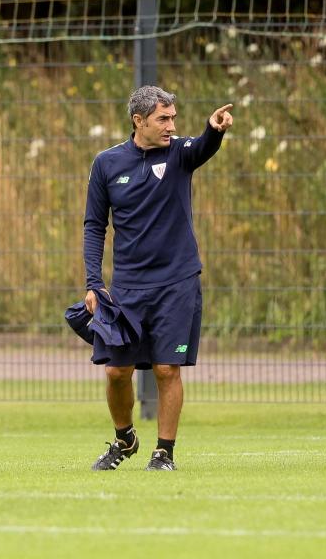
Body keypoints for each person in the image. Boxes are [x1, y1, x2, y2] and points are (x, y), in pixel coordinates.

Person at [83, 85, 233, 471]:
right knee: (117, 372)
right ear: (139, 121)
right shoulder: (107, 163)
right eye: (163, 119)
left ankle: (164, 452)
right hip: (127, 288)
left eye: (173, 118)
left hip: (177, 281)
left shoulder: (181, 153)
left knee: (167, 369)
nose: (171, 125)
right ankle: (125, 439)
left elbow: (202, 146)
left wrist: (214, 129)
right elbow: (94, 226)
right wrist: (93, 282)